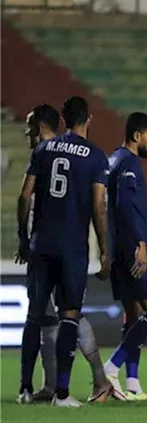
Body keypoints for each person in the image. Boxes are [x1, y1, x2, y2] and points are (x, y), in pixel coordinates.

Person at [16, 96, 110, 407]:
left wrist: (23, 238)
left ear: (63, 118)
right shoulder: (95, 157)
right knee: (70, 315)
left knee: (34, 315)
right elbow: (98, 206)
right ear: (89, 119)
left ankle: (26, 389)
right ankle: (63, 393)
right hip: (72, 247)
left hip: (41, 243)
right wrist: (105, 250)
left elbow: (24, 196)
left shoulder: (43, 149)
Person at [102, 112, 147, 402]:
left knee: (133, 314)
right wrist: (140, 243)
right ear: (137, 135)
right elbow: (126, 205)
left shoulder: (112, 161)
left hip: (117, 249)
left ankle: (134, 384)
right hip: (131, 250)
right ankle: (111, 368)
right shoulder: (128, 162)